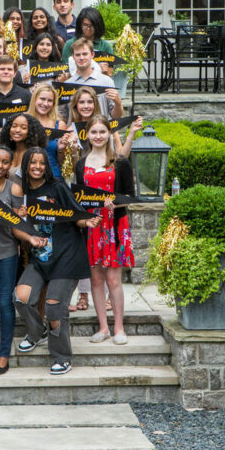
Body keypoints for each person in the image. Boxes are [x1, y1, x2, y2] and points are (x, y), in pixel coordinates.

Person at [14, 147, 100, 375]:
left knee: (54, 307)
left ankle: (62, 356)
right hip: (40, 257)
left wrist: (87, 222)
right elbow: (18, 225)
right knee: (21, 298)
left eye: (42, 163)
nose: (37, 167)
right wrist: (21, 217)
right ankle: (37, 332)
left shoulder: (58, 187)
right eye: (33, 162)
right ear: (25, 165)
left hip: (67, 256)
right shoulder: (22, 193)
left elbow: (76, 215)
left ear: (47, 166)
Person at [0, 145, 45, 375]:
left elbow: (16, 225)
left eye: (5, 162)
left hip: (6, 253)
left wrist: (29, 237)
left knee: (5, 304)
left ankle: (4, 355)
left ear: (10, 165)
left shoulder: (14, 188)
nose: (0, 165)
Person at [75, 115, 136, 345]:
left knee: (113, 279)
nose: (98, 136)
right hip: (92, 226)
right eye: (94, 132)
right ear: (87, 135)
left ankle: (119, 327)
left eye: (102, 132)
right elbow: (80, 197)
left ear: (109, 134)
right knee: (96, 279)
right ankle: (103, 327)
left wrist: (115, 203)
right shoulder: (81, 164)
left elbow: (130, 196)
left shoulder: (120, 162)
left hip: (114, 225)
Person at [70, 37, 124, 120]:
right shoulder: (67, 84)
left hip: (101, 127)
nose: (81, 58)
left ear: (92, 55)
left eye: (85, 54)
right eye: (77, 55)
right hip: (76, 128)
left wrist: (118, 103)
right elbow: (62, 117)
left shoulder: (106, 81)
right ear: (73, 57)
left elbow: (116, 116)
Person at [26, 83, 71, 178]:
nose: (45, 104)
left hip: (53, 177)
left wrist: (61, 150)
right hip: (27, 176)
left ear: (54, 104)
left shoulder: (60, 125)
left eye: (50, 100)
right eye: (42, 99)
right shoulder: (23, 121)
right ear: (34, 99)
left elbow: (63, 162)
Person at [0, 55, 33, 128]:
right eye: (2, 69)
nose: (6, 72)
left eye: (9, 69)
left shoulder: (26, 96)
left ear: (15, 73)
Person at [61, 7, 115, 77]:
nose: (88, 29)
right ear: (80, 25)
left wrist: (103, 71)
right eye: (85, 25)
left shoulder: (105, 46)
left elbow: (110, 73)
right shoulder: (70, 44)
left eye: (92, 26)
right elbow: (65, 73)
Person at [0, 112, 48, 185]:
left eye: (23, 128)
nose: (17, 130)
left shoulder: (35, 154)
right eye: (14, 126)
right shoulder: (6, 152)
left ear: (31, 132)